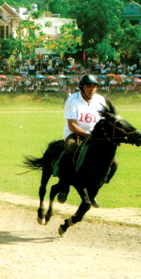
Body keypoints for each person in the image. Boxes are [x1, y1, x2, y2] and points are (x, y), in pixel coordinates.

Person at [57, 74, 119, 208]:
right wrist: (87, 136)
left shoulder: (101, 100)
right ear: (81, 87)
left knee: (113, 163)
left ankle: (93, 191)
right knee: (71, 148)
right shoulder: (72, 100)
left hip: (95, 135)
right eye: (88, 86)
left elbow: (106, 121)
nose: (92, 89)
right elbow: (72, 125)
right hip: (75, 133)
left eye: (94, 86)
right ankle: (64, 185)